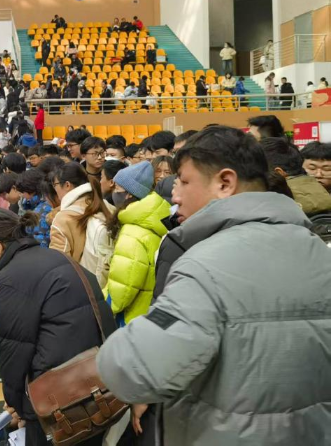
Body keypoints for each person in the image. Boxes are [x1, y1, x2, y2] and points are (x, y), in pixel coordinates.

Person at [97, 126, 331, 446]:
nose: (175, 195)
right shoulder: (319, 252)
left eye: (184, 181)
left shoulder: (204, 265)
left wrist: (113, 350)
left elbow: (135, 368)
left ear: (225, 183)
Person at [0, 209, 115, 446]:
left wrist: (20, 409)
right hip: (96, 382)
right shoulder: (58, 257)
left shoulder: (9, 278)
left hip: (56, 399)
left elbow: (14, 353)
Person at [104, 161, 170, 326]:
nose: (114, 192)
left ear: (129, 194)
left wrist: (104, 308)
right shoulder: (151, 221)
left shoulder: (133, 233)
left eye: (117, 188)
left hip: (129, 318)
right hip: (147, 312)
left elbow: (123, 287)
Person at [48, 164, 113, 284]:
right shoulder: (106, 206)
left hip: (82, 285)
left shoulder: (63, 218)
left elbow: (59, 263)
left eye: (55, 185)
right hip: (110, 282)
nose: (55, 190)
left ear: (67, 185)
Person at [260, 137, 331, 216]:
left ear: (279, 172)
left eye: (327, 169)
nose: (318, 174)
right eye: (312, 168)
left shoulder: (281, 204)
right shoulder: (321, 196)